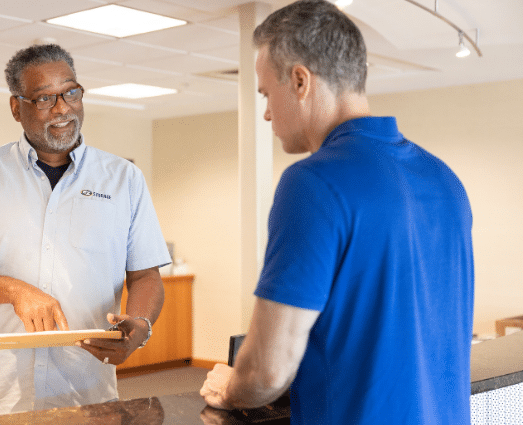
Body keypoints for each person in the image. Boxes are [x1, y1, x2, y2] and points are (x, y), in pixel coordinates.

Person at [200, 1, 474, 424]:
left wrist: (231, 386)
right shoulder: (445, 180)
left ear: (299, 80)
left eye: (265, 94)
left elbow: (266, 372)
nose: (268, 112)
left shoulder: (311, 184)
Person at [0, 44, 171, 418]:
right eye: (44, 98)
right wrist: (15, 291)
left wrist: (140, 325)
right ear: (16, 108)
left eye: (70, 92)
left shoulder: (123, 179)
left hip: (85, 396)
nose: (63, 107)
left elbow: (146, 274)